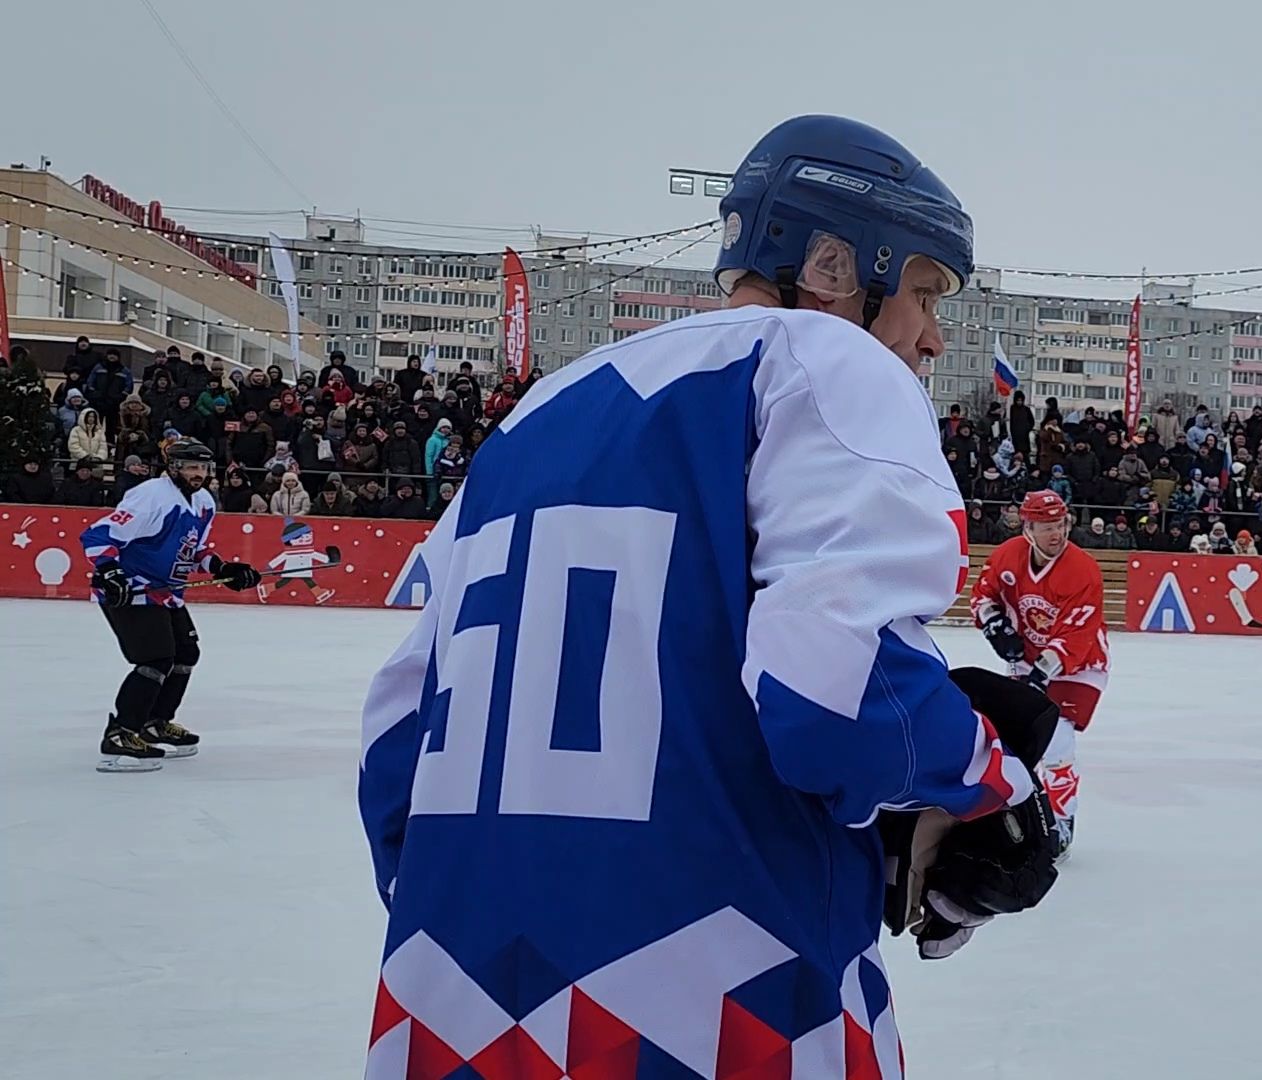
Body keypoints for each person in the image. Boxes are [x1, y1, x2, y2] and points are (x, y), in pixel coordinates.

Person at [355, 115, 1064, 1080]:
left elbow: (397, 735)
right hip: (729, 1008)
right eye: (926, 293)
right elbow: (832, 694)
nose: (934, 337)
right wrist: (993, 782)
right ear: (836, 265)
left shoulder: (534, 416)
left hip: (454, 1010)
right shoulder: (830, 361)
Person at [79, 437, 261, 771]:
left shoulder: (204, 501)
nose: (198, 473)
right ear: (173, 467)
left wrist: (223, 569)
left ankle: (155, 723)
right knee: (156, 658)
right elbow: (98, 535)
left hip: (166, 592)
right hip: (132, 589)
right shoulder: (151, 496)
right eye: (191, 467)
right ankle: (121, 733)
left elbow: (194, 550)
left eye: (203, 467)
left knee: (185, 653)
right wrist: (110, 572)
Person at [969, 490, 1110, 854]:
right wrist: (994, 624)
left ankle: (1061, 821)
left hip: (1080, 664)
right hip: (1027, 659)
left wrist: (1040, 674)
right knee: (1017, 741)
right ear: (1027, 528)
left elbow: (1076, 635)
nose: (1056, 534)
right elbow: (983, 595)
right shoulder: (1007, 555)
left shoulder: (1083, 571)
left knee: (1057, 741)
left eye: (1060, 524)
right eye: (1047, 527)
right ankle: (1018, 816)